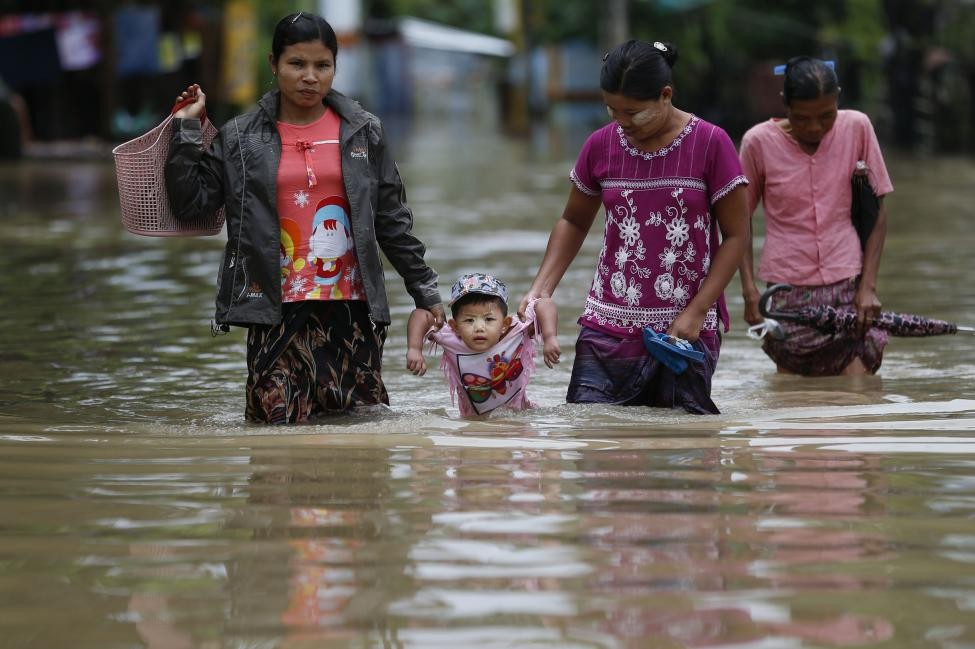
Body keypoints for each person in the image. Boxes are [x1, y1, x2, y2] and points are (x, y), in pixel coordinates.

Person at [165, 12, 443, 424]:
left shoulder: (363, 132)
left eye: (322, 65)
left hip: (351, 309)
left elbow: (391, 221)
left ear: (335, 66)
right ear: (273, 64)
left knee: (357, 442)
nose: (310, 77)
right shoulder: (240, 136)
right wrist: (185, 131)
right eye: (297, 64)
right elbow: (193, 204)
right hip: (273, 306)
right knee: (272, 431)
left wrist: (425, 288)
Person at [518, 40, 749, 414]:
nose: (622, 122)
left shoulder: (711, 143)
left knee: (679, 449)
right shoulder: (600, 145)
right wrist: (539, 290)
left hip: (684, 328)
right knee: (593, 434)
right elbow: (574, 221)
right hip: (606, 324)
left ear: (665, 95)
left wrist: (696, 311)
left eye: (634, 112)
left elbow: (737, 236)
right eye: (612, 110)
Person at [738, 57, 894, 376]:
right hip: (785, 294)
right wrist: (749, 291)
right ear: (785, 105)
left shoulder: (858, 127)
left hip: (848, 286)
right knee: (794, 403)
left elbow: (877, 215)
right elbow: (738, 222)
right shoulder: (757, 142)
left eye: (826, 116)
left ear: (838, 99)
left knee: (856, 400)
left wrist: (868, 287)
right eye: (802, 118)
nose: (814, 128)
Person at [406, 273, 561, 417]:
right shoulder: (451, 339)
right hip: (473, 423)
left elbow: (544, 303)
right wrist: (414, 348)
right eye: (469, 320)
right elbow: (421, 315)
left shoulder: (515, 331)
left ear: (504, 323)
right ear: (455, 326)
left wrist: (549, 337)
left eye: (489, 319)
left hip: (520, 418)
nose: (479, 327)